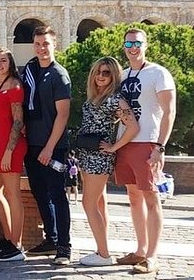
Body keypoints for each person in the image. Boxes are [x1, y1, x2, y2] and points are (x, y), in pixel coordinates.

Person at [114, 28, 176, 274]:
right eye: (128, 43)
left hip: (148, 141)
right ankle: (140, 250)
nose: (133, 47)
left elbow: (169, 111)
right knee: (133, 197)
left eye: (137, 42)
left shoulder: (158, 73)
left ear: (146, 44)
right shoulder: (123, 74)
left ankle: (152, 255)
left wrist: (160, 147)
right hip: (126, 141)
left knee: (151, 197)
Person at [77, 56, 138, 267]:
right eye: (98, 72)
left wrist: (113, 147)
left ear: (114, 76)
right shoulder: (97, 97)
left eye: (106, 73)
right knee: (99, 204)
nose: (100, 76)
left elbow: (133, 127)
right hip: (88, 153)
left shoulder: (114, 99)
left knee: (89, 203)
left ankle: (103, 255)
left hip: (98, 157)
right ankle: (102, 250)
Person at [21, 26, 72, 265]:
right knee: (40, 193)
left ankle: (64, 246)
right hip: (32, 143)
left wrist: (49, 148)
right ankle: (50, 239)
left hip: (53, 146)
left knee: (57, 195)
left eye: (46, 44)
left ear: (54, 45)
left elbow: (63, 115)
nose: (42, 48)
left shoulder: (59, 75)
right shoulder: (30, 71)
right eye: (38, 44)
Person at [0, 48, 27, 262]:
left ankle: (16, 245)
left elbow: (18, 121)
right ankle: (9, 237)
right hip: (0, 146)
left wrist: (8, 152)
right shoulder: (0, 84)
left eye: (3, 60)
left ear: (10, 62)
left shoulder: (14, 85)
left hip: (10, 147)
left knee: (12, 194)